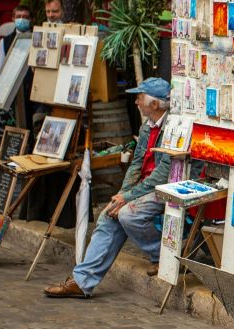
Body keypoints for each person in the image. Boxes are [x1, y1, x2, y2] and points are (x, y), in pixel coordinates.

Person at [43, 78, 174, 298]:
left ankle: (163, 255)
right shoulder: (146, 127)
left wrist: (129, 197)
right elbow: (136, 163)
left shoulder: (172, 128)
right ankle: (82, 281)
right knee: (108, 214)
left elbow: (164, 173)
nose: (136, 102)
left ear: (154, 104)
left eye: (140, 97)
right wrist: (122, 194)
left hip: (165, 187)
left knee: (129, 215)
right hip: (144, 187)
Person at [0, 5, 31, 71]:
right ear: (13, 18)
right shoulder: (4, 42)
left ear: (30, 19)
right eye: (18, 17)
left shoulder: (38, 38)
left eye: (25, 17)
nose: (22, 19)